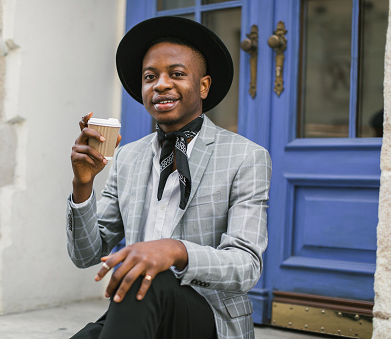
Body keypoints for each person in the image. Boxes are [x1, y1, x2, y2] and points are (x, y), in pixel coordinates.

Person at [67, 16, 271, 339]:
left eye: (176, 74)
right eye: (150, 77)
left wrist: (174, 250)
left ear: (203, 86)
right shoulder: (127, 158)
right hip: (139, 308)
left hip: (208, 317)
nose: (160, 84)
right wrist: (83, 186)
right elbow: (85, 254)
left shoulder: (246, 157)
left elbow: (246, 266)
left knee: (153, 277)